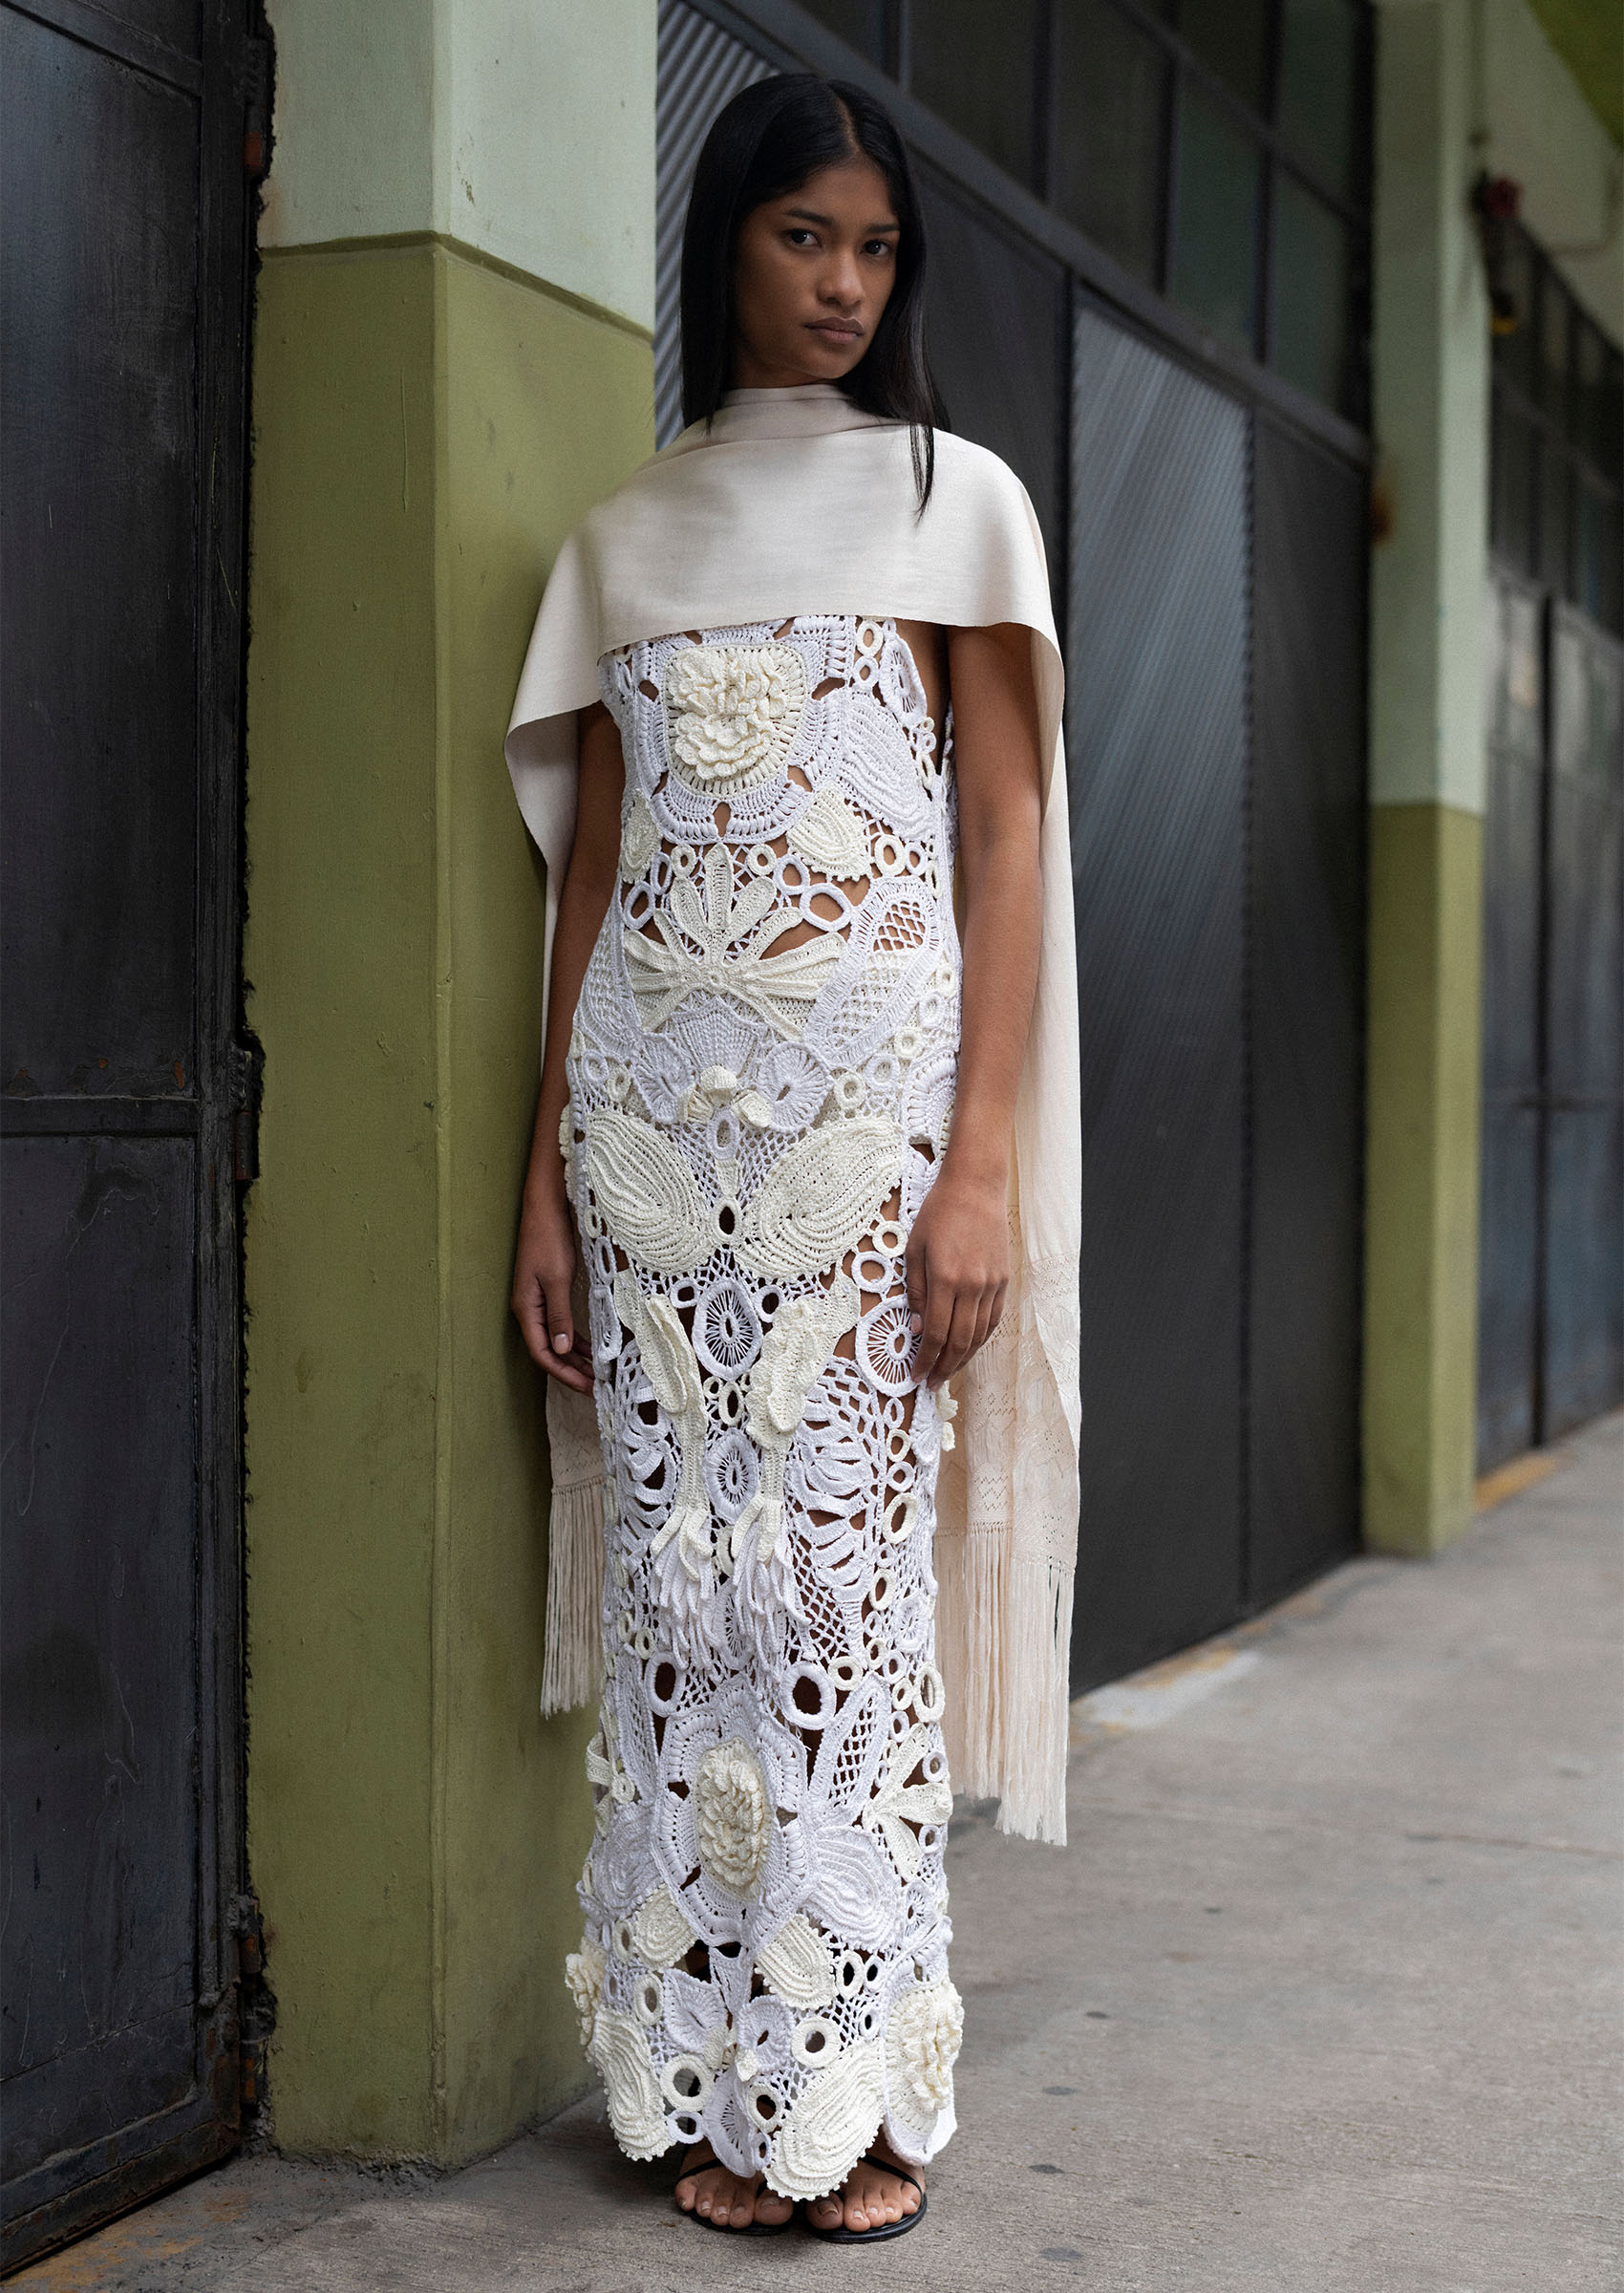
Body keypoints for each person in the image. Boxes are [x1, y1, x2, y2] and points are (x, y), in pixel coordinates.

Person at [505, 73, 1080, 2243]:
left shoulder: (957, 507)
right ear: (722, 243)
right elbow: (596, 879)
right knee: (683, 1589)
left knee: (838, 1588)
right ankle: (687, 2081)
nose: (845, 285)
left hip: (869, 1132)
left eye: (875, 249)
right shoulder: (625, 540)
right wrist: (542, 1182)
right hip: (650, 1134)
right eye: (802, 240)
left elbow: (1007, 836)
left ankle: (852, 2091)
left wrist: (981, 1167)